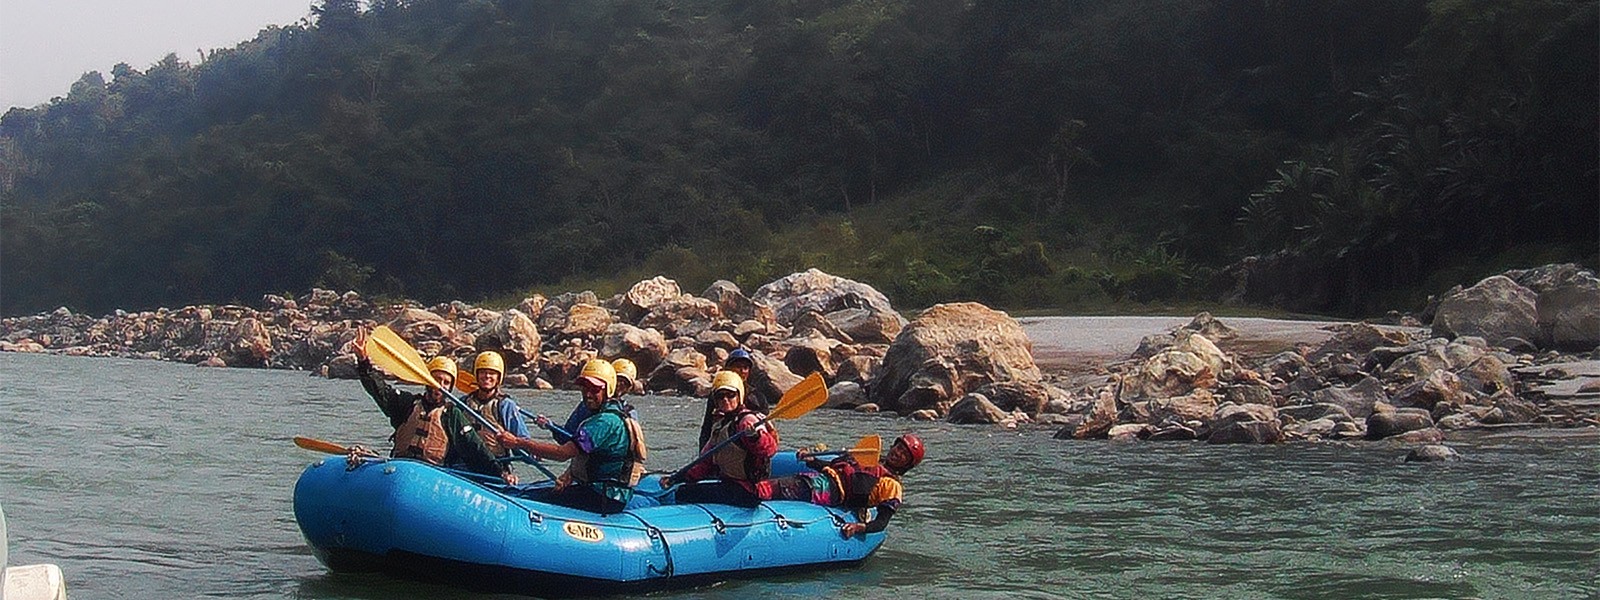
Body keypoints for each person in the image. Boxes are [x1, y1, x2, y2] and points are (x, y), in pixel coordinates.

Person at [350, 328, 514, 484]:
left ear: (450, 387)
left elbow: (475, 448)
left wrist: (500, 472)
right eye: (437, 380)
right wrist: (364, 362)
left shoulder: (452, 414)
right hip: (399, 469)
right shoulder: (407, 403)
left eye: (446, 382)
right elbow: (378, 390)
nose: (440, 385)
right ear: (427, 380)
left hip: (432, 477)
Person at [496, 359, 647, 514]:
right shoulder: (606, 416)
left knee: (525, 498)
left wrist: (518, 442)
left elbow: (563, 453)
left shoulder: (605, 422)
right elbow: (583, 453)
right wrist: (570, 475)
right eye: (584, 387)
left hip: (602, 496)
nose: (588, 393)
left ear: (608, 389)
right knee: (543, 490)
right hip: (602, 493)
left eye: (595, 388)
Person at [756, 434, 924, 537]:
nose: (897, 453)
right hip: (821, 481)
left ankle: (748, 495)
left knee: (774, 488)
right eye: (898, 447)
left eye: (904, 454)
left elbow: (882, 522)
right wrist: (812, 461)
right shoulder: (868, 460)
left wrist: (859, 527)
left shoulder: (892, 486)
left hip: (829, 492)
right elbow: (838, 471)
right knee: (777, 485)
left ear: (907, 464)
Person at [669, 371, 778, 508]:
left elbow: (770, 449)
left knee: (684, 494)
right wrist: (682, 477)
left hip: (749, 490)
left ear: (739, 396)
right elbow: (705, 462)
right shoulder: (720, 426)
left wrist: (755, 437)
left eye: (730, 395)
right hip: (730, 485)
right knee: (683, 489)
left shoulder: (748, 421)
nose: (725, 399)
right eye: (720, 396)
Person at [540, 357, 641, 445]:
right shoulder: (586, 405)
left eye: (625, 383)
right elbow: (566, 437)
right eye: (618, 379)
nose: (619, 385)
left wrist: (528, 445)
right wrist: (550, 425)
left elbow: (566, 452)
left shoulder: (621, 415)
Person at [463, 350, 531, 457]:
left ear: (499, 377)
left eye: (492, 373)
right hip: (464, 465)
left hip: (496, 464)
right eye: (483, 372)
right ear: (476, 374)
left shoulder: (506, 405)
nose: (487, 376)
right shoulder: (464, 403)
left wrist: (531, 451)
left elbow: (522, 443)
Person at [698, 348, 768, 449]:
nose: (742, 371)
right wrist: (702, 453)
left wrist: (754, 435)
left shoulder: (756, 396)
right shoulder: (717, 395)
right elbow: (707, 427)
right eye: (738, 367)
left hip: (749, 448)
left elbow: (767, 429)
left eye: (745, 367)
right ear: (728, 369)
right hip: (724, 446)